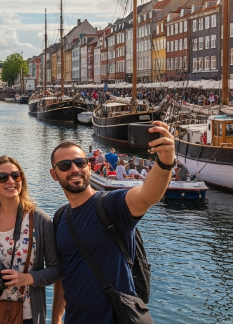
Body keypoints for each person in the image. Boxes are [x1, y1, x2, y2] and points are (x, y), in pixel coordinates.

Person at [50, 122, 176, 323]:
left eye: (80, 163)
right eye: (65, 165)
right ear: (54, 174)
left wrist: (166, 160)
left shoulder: (111, 205)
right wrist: (56, 317)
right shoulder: (59, 218)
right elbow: (65, 273)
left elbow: (147, 195)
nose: (74, 169)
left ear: (89, 167)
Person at [0, 155, 62, 324]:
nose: (10, 181)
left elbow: (57, 269)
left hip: (25, 315)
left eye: (16, 176)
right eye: (2, 177)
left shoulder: (40, 221)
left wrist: (27, 279)